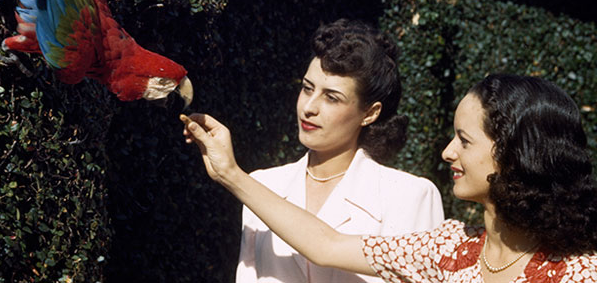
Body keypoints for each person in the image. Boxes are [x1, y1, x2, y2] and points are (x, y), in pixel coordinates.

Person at [182, 73, 597, 283]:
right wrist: (230, 174)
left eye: (465, 141)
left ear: (514, 155)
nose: (447, 151)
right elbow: (326, 245)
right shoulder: (448, 248)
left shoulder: (582, 272)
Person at [236, 19, 443, 283]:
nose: (309, 107)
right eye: (307, 88)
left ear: (369, 113)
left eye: (332, 98)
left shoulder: (410, 196)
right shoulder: (263, 184)